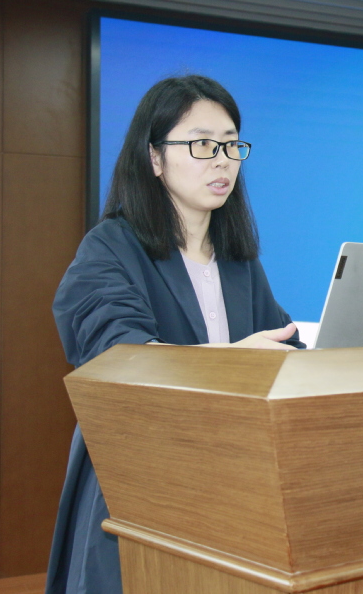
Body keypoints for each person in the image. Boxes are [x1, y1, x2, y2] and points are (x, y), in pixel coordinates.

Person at [45, 75, 303, 594]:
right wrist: (231, 360)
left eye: (231, 144)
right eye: (202, 144)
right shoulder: (110, 247)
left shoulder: (239, 262)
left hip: (226, 479)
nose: (222, 160)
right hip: (138, 484)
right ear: (155, 158)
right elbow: (119, 358)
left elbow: (281, 343)